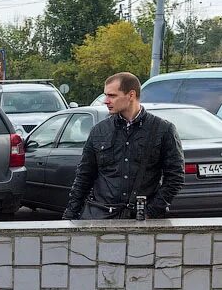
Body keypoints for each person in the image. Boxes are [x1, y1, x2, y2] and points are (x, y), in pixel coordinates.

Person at [63, 72, 183, 220]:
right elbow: (84, 176)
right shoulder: (99, 130)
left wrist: (151, 211)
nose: (106, 101)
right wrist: (70, 216)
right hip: (100, 216)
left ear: (131, 95)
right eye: (106, 95)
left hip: (142, 219)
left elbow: (175, 177)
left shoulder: (163, 129)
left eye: (112, 96)